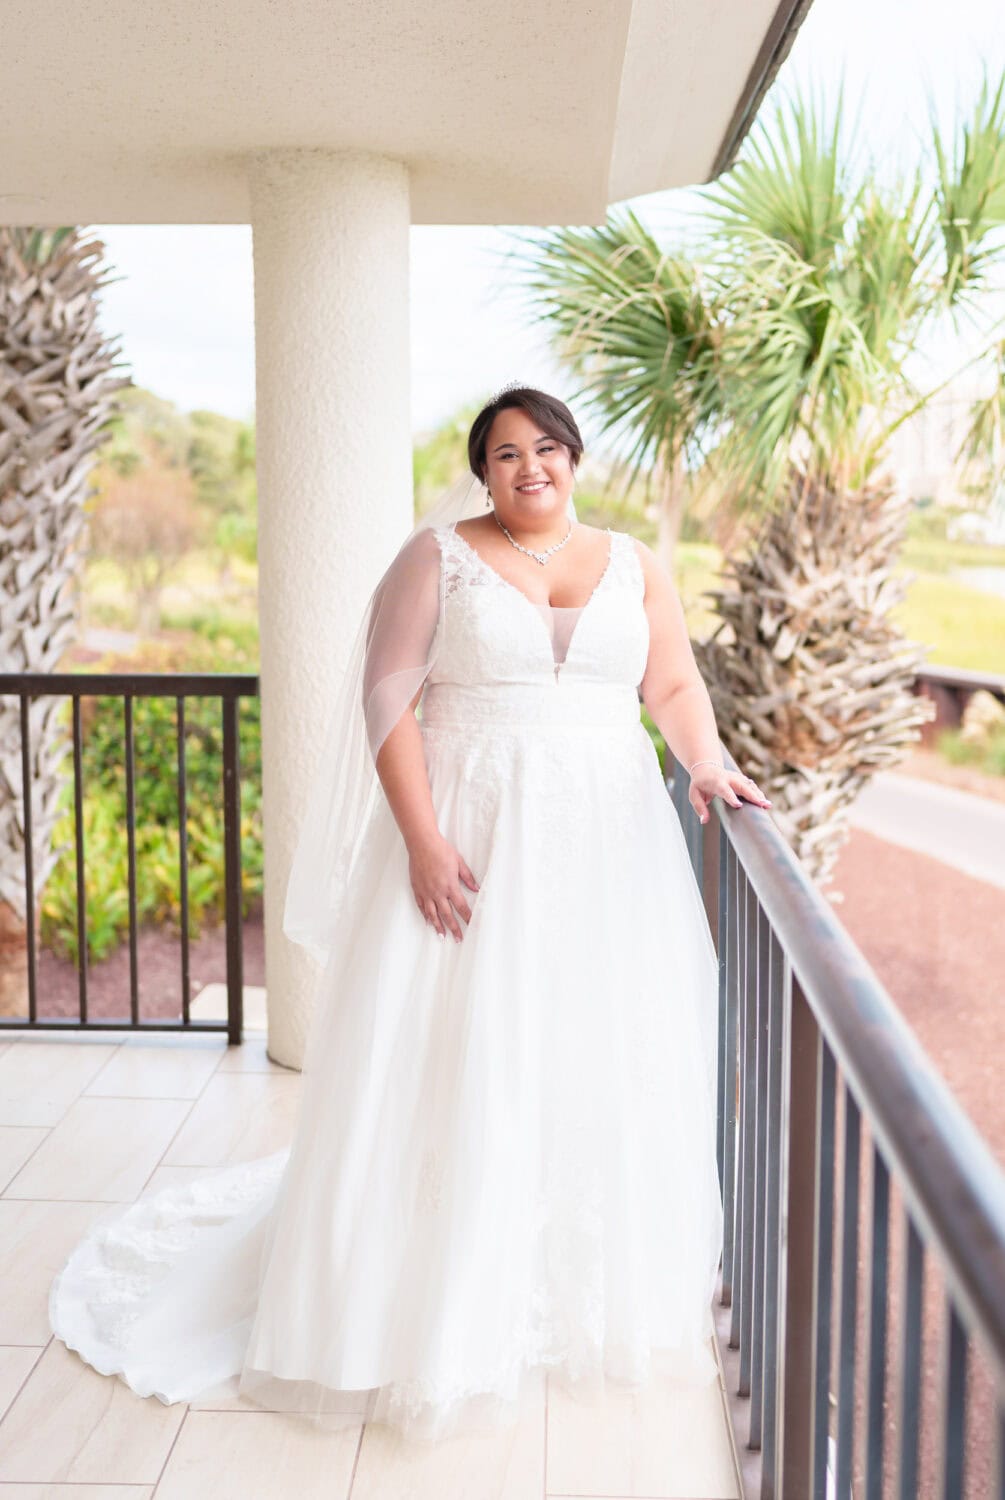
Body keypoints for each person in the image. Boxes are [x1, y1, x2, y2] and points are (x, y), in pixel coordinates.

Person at [48, 385, 771, 1445]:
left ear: (574, 459)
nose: (531, 467)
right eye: (508, 453)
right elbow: (388, 700)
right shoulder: (437, 557)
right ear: (483, 470)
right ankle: (430, 1304)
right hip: (471, 838)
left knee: (587, 1050)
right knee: (456, 1056)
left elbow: (673, 686)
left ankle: (565, 1291)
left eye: (548, 449)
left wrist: (707, 765)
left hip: (607, 848)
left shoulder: (634, 564)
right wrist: (427, 841)